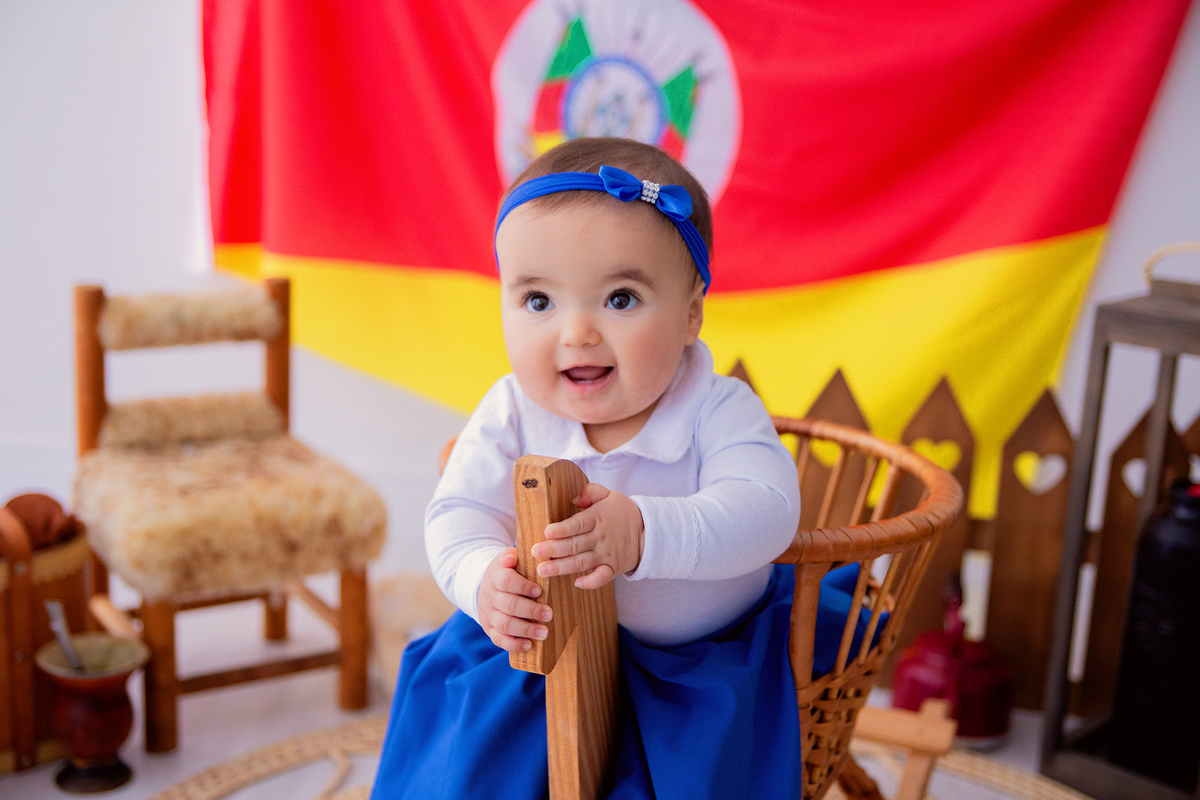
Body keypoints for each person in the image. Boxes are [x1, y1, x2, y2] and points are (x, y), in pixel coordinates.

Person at [373, 138, 817, 799]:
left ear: (691, 313)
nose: (576, 332)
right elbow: (458, 512)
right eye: (539, 302)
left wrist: (642, 533)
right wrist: (481, 579)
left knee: (700, 776)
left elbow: (768, 510)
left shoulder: (716, 408)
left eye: (620, 299)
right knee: (464, 748)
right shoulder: (511, 409)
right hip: (542, 645)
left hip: (693, 663)